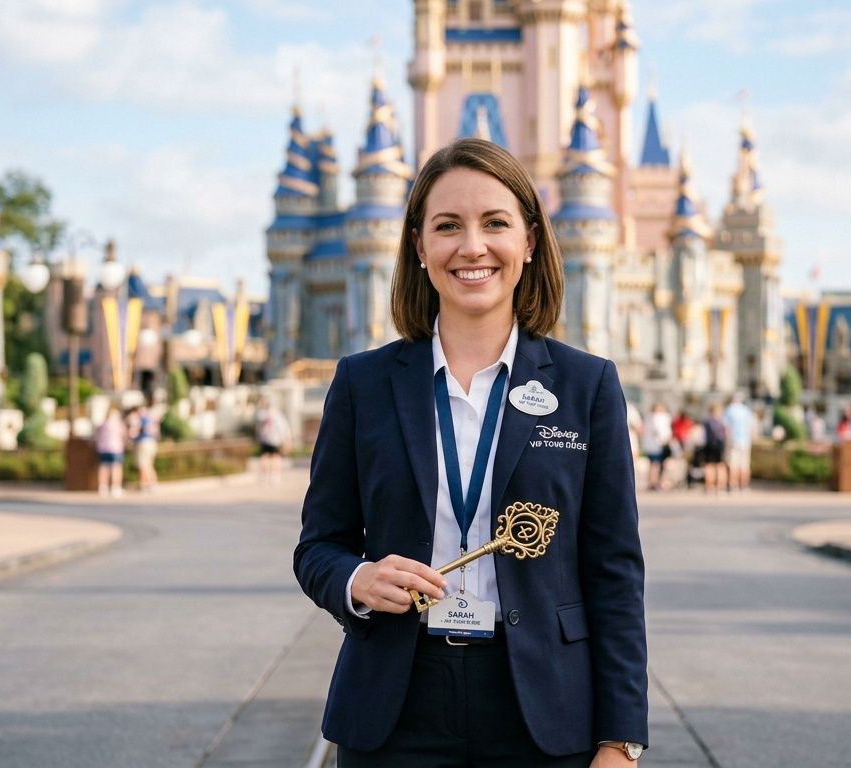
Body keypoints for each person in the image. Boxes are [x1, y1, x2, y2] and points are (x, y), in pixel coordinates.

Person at [294, 139, 648, 767]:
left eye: (495, 223)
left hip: (542, 708)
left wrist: (621, 741)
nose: (472, 246)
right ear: (419, 245)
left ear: (531, 241)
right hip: (396, 706)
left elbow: (614, 571)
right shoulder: (363, 383)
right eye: (448, 226)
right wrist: (358, 578)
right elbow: (319, 545)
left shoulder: (586, 386)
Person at [255, 394, 293, 483]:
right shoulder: (278, 415)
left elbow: (258, 426)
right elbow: (284, 427)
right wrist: (286, 438)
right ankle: (274, 475)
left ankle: (266, 475)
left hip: (266, 439)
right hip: (275, 439)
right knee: (275, 457)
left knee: (266, 457)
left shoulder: (262, 414)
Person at [723, 392, 756, 492]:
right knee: (745, 465)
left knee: (733, 464)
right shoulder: (746, 411)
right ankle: (744, 486)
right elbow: (752, 427)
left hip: (734, 440)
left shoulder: (730, 410)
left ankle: (733, 485)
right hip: (745, 441)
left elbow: (726, 428)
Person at [95, 407, 127, 498]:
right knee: (116, 468)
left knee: (103, 468)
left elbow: (96, 435)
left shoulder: (102, 425)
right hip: (116, 448)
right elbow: (124, 436)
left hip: (103, 448)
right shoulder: (118, 425)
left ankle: (103, 487)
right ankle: (115, 487)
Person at [641, 402, 672, 491]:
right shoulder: (659, 418)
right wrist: (665, 438)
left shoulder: (649, 417)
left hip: (649, 445)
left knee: (652, 464)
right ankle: (654, 482)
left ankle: (651, 482)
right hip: (657, 445)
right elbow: (660, 431)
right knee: (655, 464)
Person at [131, 403, 159, 492]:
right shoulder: (151, 419)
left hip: (143, 443)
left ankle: (144, 484)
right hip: (152, 443)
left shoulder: (140, 420)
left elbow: (133, 433)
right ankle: (153, 483)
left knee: (143, 465)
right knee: (149, 465)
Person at [701, 401, 728, 494]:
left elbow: (703, 436)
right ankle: (721, 486)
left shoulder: (707, 421)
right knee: (720, 466)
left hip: (709, 445)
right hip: (720, 445)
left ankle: (709, 486)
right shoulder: (722, 421)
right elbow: (726, 433)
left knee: (709, 466)